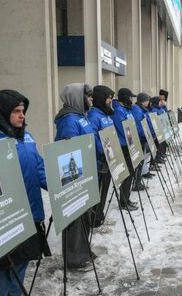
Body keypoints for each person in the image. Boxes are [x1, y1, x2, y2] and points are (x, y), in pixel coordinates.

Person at [0, 89, 51, 296]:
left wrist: (61, 186)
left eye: (23, 110)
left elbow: (39, 167)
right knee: (2, 273)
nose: (22, 115)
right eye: (16, 111)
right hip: (5, 223)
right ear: (1, 113)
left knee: (21, 267)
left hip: (30, 215)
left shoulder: (26, 136)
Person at [54, 83, 99, 270]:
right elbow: (69, 150)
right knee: (75, 217)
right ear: (77, 98)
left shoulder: (81, 117)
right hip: (76, 177)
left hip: (88, 172)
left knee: (85, 217)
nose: (91, 99)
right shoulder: (69, 120)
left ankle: (83, 250)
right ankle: (74, 259)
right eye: (88, 96)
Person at [86, 85, 115, 227]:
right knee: (97, 190)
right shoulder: (93, 116)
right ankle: (94, 218)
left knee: (104, 189)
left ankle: (99, 214)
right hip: (99, 160)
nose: (110, 101)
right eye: (108, 98)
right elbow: (91, 137)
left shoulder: (106, 114)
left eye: (111, 98)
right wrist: (102, 149)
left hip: (109, 158)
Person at [111, 88, 140, 210]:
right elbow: (124, 129)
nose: (132, 100)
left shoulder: (127, 110)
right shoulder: (118, 111)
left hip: (130, 145)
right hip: (123, 146)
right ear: (124, 98)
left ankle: (126, 199)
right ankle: (123, 202)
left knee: (131, 173)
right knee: (127, 175)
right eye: (130, 97)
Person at [132, 92, 154, 188]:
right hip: (140, 138)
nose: (149, 102)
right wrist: (145, 135)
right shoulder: (137, 110)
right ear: (143, 101)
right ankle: (137, 182)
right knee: (139, 162)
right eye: (147, 100)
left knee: (142, 160)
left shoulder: (141, 109)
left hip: (143, 137)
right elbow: (139, 125)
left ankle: (138, 181)